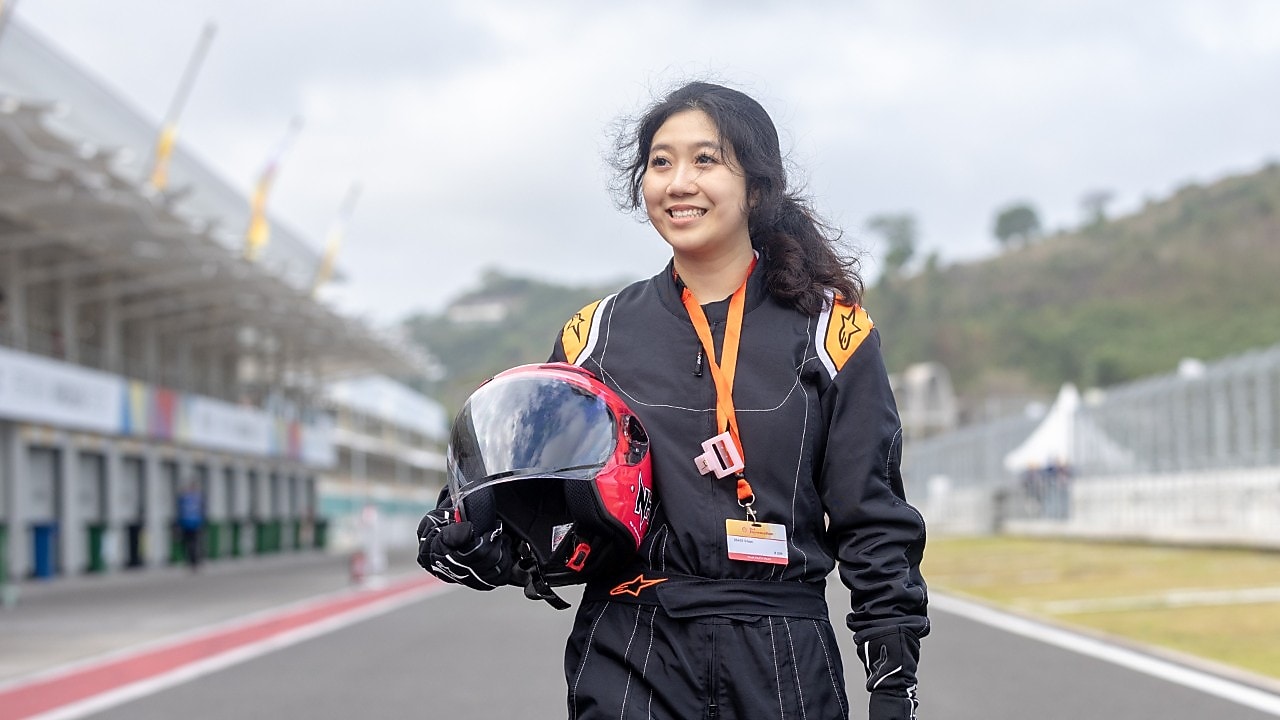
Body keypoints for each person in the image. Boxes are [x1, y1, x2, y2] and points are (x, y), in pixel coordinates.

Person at [419, 80, 928, 720]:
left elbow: (874, 519)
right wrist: (472, 533)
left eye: (705, 160)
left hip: (782, 654)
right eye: (661, 162)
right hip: (630, 647)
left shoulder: (833, 333)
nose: (678, 182)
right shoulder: (593, 336)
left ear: (758, 186)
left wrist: (891, 679)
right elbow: (524, 484)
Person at [176, 479, 205, 570]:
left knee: (190, 543)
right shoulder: (197, 497)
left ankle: (192, 561)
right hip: (192, 523)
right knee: (193, 543)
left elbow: (179, 510)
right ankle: (193, 561)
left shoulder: (185, 497)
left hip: (189, 523)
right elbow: (202, 510)